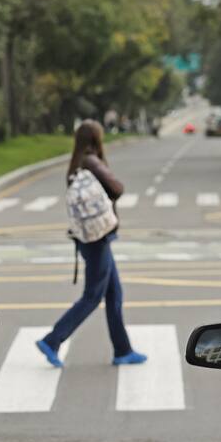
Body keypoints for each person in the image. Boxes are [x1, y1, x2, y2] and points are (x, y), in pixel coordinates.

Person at [36, 121, 146, 368]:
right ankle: (53, 340)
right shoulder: (92, 161)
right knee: (92, 296)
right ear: (96, 139)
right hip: (98, 239)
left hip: (89, 238)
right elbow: (117, 188)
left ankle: (123, 350)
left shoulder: (76, 164)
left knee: (114, 294)